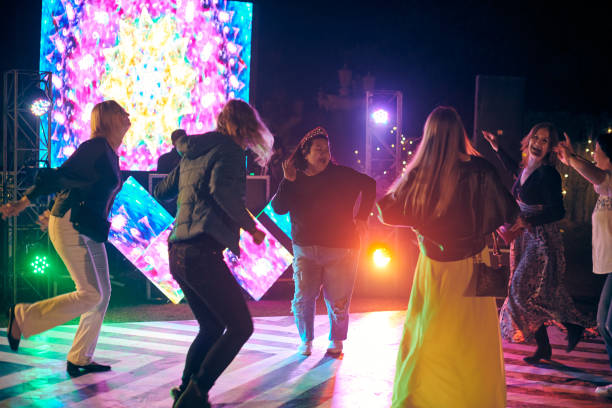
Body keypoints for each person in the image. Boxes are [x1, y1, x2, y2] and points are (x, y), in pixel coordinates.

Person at [378, 106, 518, 407]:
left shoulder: (420, 173)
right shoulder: (480, 170)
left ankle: (423, 396)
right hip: (472, 265)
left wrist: (421, 222)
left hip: (432, 267)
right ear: (459, 133)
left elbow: (385, 210)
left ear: (429, 136)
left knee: (428, 333)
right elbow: (509, 212)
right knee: (472, 340)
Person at [154, 99, 273, 408]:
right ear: (242, 126)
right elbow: (222, 191)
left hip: (178, 252)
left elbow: (161, 190)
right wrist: (251, 227)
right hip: (201, 252)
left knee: (211, 326)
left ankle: (185, 391)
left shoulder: (195, 151)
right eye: (249, 130)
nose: (250, 138)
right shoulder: (230, 151)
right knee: (240, 327)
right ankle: (196, 392)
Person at [1, 100, 130, 376]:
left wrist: (52, 209)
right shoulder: (94, 147)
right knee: (91, 293)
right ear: (107, 119)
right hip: (72, 224)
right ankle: (22, 317)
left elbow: (81, 185)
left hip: (89, 228)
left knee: (102, 294)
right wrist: (24, 203)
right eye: (121, 113)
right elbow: (60, 177)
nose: (127, 116)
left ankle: (80, 357)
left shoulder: (110, 152)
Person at [483, 123, 593, 364]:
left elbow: (558, 211)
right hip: (524, 240)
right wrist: (496, 147)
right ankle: (544, 347)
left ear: (550, 148)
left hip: (541, 242)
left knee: (520, 292)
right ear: (528, 139)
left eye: (544, 141)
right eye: (536, 137)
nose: (538, 143)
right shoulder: (527, 168)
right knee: (528, 294)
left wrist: (527, 221)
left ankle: (571, 324)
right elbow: (514, 169)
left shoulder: (548, 174)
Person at [271, 126, 376, 356]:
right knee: (303, 297)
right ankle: (306, 341)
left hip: (343, 249)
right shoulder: (294, 177)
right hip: (305, 250)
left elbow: (369, 185)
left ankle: (336, 340)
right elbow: (278, 209)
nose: (324, 154)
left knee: (338, 300)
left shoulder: (342, 175)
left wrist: (361, 217)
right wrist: (287, 181)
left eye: (326, 149)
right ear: (305, 152)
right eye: (318, 149)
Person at [556, 132, 612, 397]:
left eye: (598, 151)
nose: (594, 155)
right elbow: (593, 174)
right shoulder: (604, 186)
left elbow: (596, 175)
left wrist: (571, 159)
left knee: (607, 323)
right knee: (603, 323)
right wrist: (573, 159)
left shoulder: (610, 181)